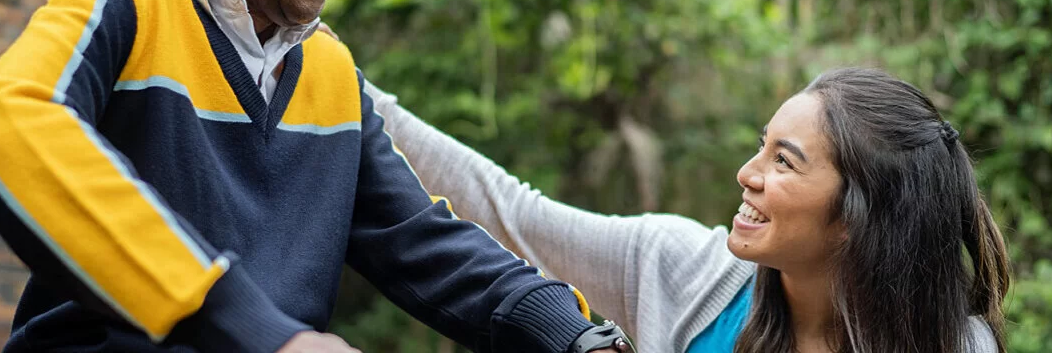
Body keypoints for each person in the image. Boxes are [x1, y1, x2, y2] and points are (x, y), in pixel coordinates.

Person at [0, 0, 630, 351]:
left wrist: (574, 333)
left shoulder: (330, 70)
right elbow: (12, 122)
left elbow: (424, 242)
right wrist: (256, 330)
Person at [366, 67, 1011, 353]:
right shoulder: (676, 269)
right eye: (761, 147)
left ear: (857, 217)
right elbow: (511, 214)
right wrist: (354, 98)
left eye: (783, 162)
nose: (747, 175)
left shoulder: (958, 345)